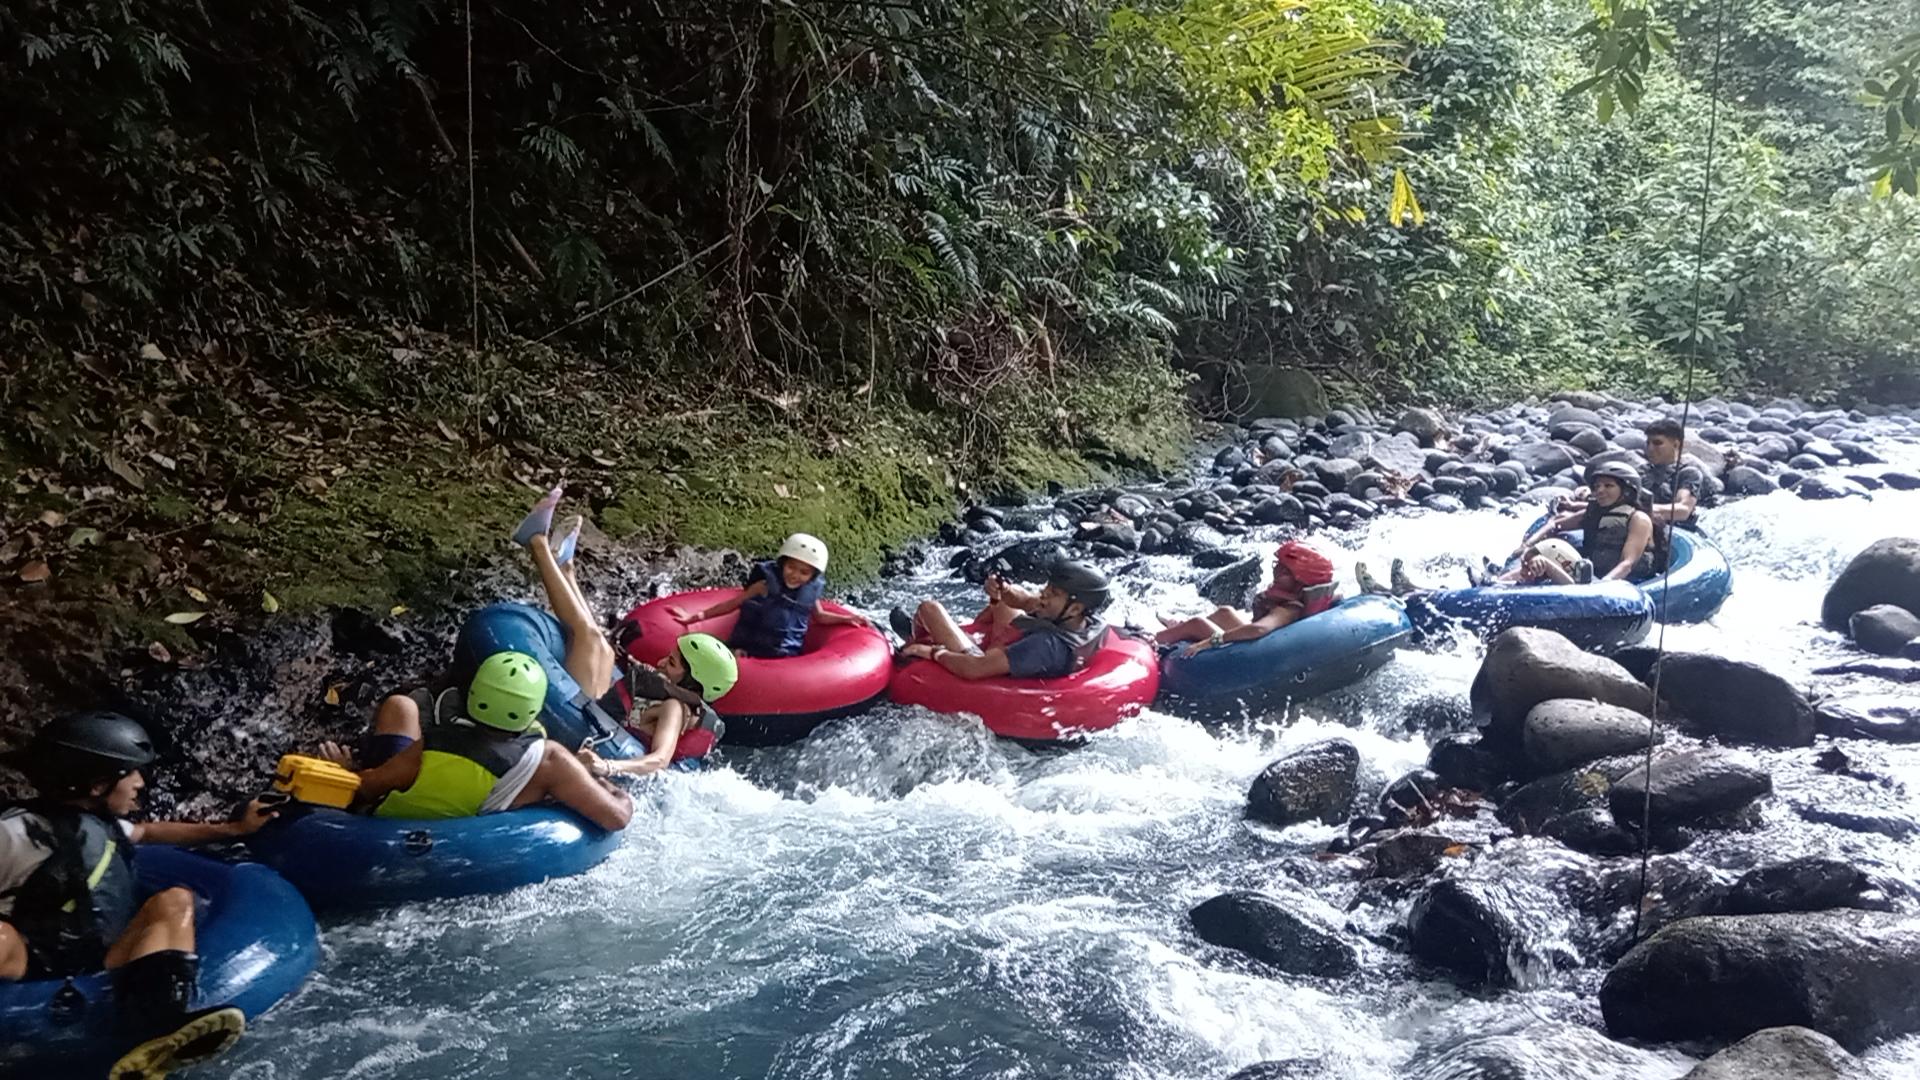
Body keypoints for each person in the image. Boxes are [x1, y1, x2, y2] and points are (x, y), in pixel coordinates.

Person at [1, 711, 280, 1079]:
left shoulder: (106, 825)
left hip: (105, 955)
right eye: (129, 773)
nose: (139, 783)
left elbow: (149, 833)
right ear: (97, 785)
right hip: (32, 959)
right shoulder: (16, 833)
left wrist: (232, 829)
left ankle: (159, 1028)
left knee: (175, 901)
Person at [321, 650, 634, 829]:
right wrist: (608, 786)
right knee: (402, 706)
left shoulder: (434, 742)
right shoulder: (551, 760)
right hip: (466, 823)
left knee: (402, 705)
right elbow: (617, 818)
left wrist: (346, 771)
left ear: (473, 695)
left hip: (403, 809)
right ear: (533, 710)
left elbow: (367, 787)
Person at [897, 561, 1112, 680]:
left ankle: (916, 643)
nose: (1043, 593)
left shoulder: (1046, 646)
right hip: (1013, 648)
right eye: (1046, 587)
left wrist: (936, 653)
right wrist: (1004, 590)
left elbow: (975, 669)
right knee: (999, 604)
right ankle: (962, 636)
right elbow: (1027, 600)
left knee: (930, 609)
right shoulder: (1091, 622)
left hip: (984, 664)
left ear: (1074, 607)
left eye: (1053, 592)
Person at [667, 533, 870, 658]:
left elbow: (820, 616)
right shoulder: (764, 585)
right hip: (753, 647)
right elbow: (733, 604)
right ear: (782, 564)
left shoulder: (809, 592)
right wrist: (696, 617)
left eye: (804, 572)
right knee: (738, 656)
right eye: (791, 567)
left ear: (812, 576)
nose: (795, 575)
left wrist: (849, 618)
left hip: (786, 654)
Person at [581, 633, 738, 781]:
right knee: (601, 651)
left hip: (622, 759)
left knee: (590, 640)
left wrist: (607, 767)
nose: (660, 663)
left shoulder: (674, 708)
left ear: (691, 682)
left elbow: (660, 759)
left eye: (671, 662)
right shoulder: (680, 704)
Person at [1155, 540, 1340, 657]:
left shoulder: (1288, 608)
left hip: (1255, 653)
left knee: (1197, 623)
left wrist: (1211, 641)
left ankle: (1150, 643)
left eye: (1285, 571)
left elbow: (1260, 629)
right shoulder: (1301, 598)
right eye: (1278, 566)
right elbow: (1335, 597)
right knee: (1225, 612)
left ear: (1301, 581)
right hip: (1261, 645)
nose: (1276, 571)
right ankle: (1179, 629)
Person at [1521, 461, 1661, 582]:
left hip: (1627, 582)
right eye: (1597, 486)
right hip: (1592, 576)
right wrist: (1527, 545)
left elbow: (1627, 563)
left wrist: (1604, 584)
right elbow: (1555, 524)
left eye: (1608, 486)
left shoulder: (1638, 519)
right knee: (1546, 554)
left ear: (1627, 491)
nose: (1600, 490)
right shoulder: (1593, 513)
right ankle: (1502, 584)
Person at [1640, 418, 1712, 530]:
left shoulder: (1688, 474)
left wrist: (1642, 510)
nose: (1650, 448)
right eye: (1648, 443)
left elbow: (1683, 510)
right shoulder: (1641, 472)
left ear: (1676, 444)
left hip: (1676, 530)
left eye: (1657, 443)